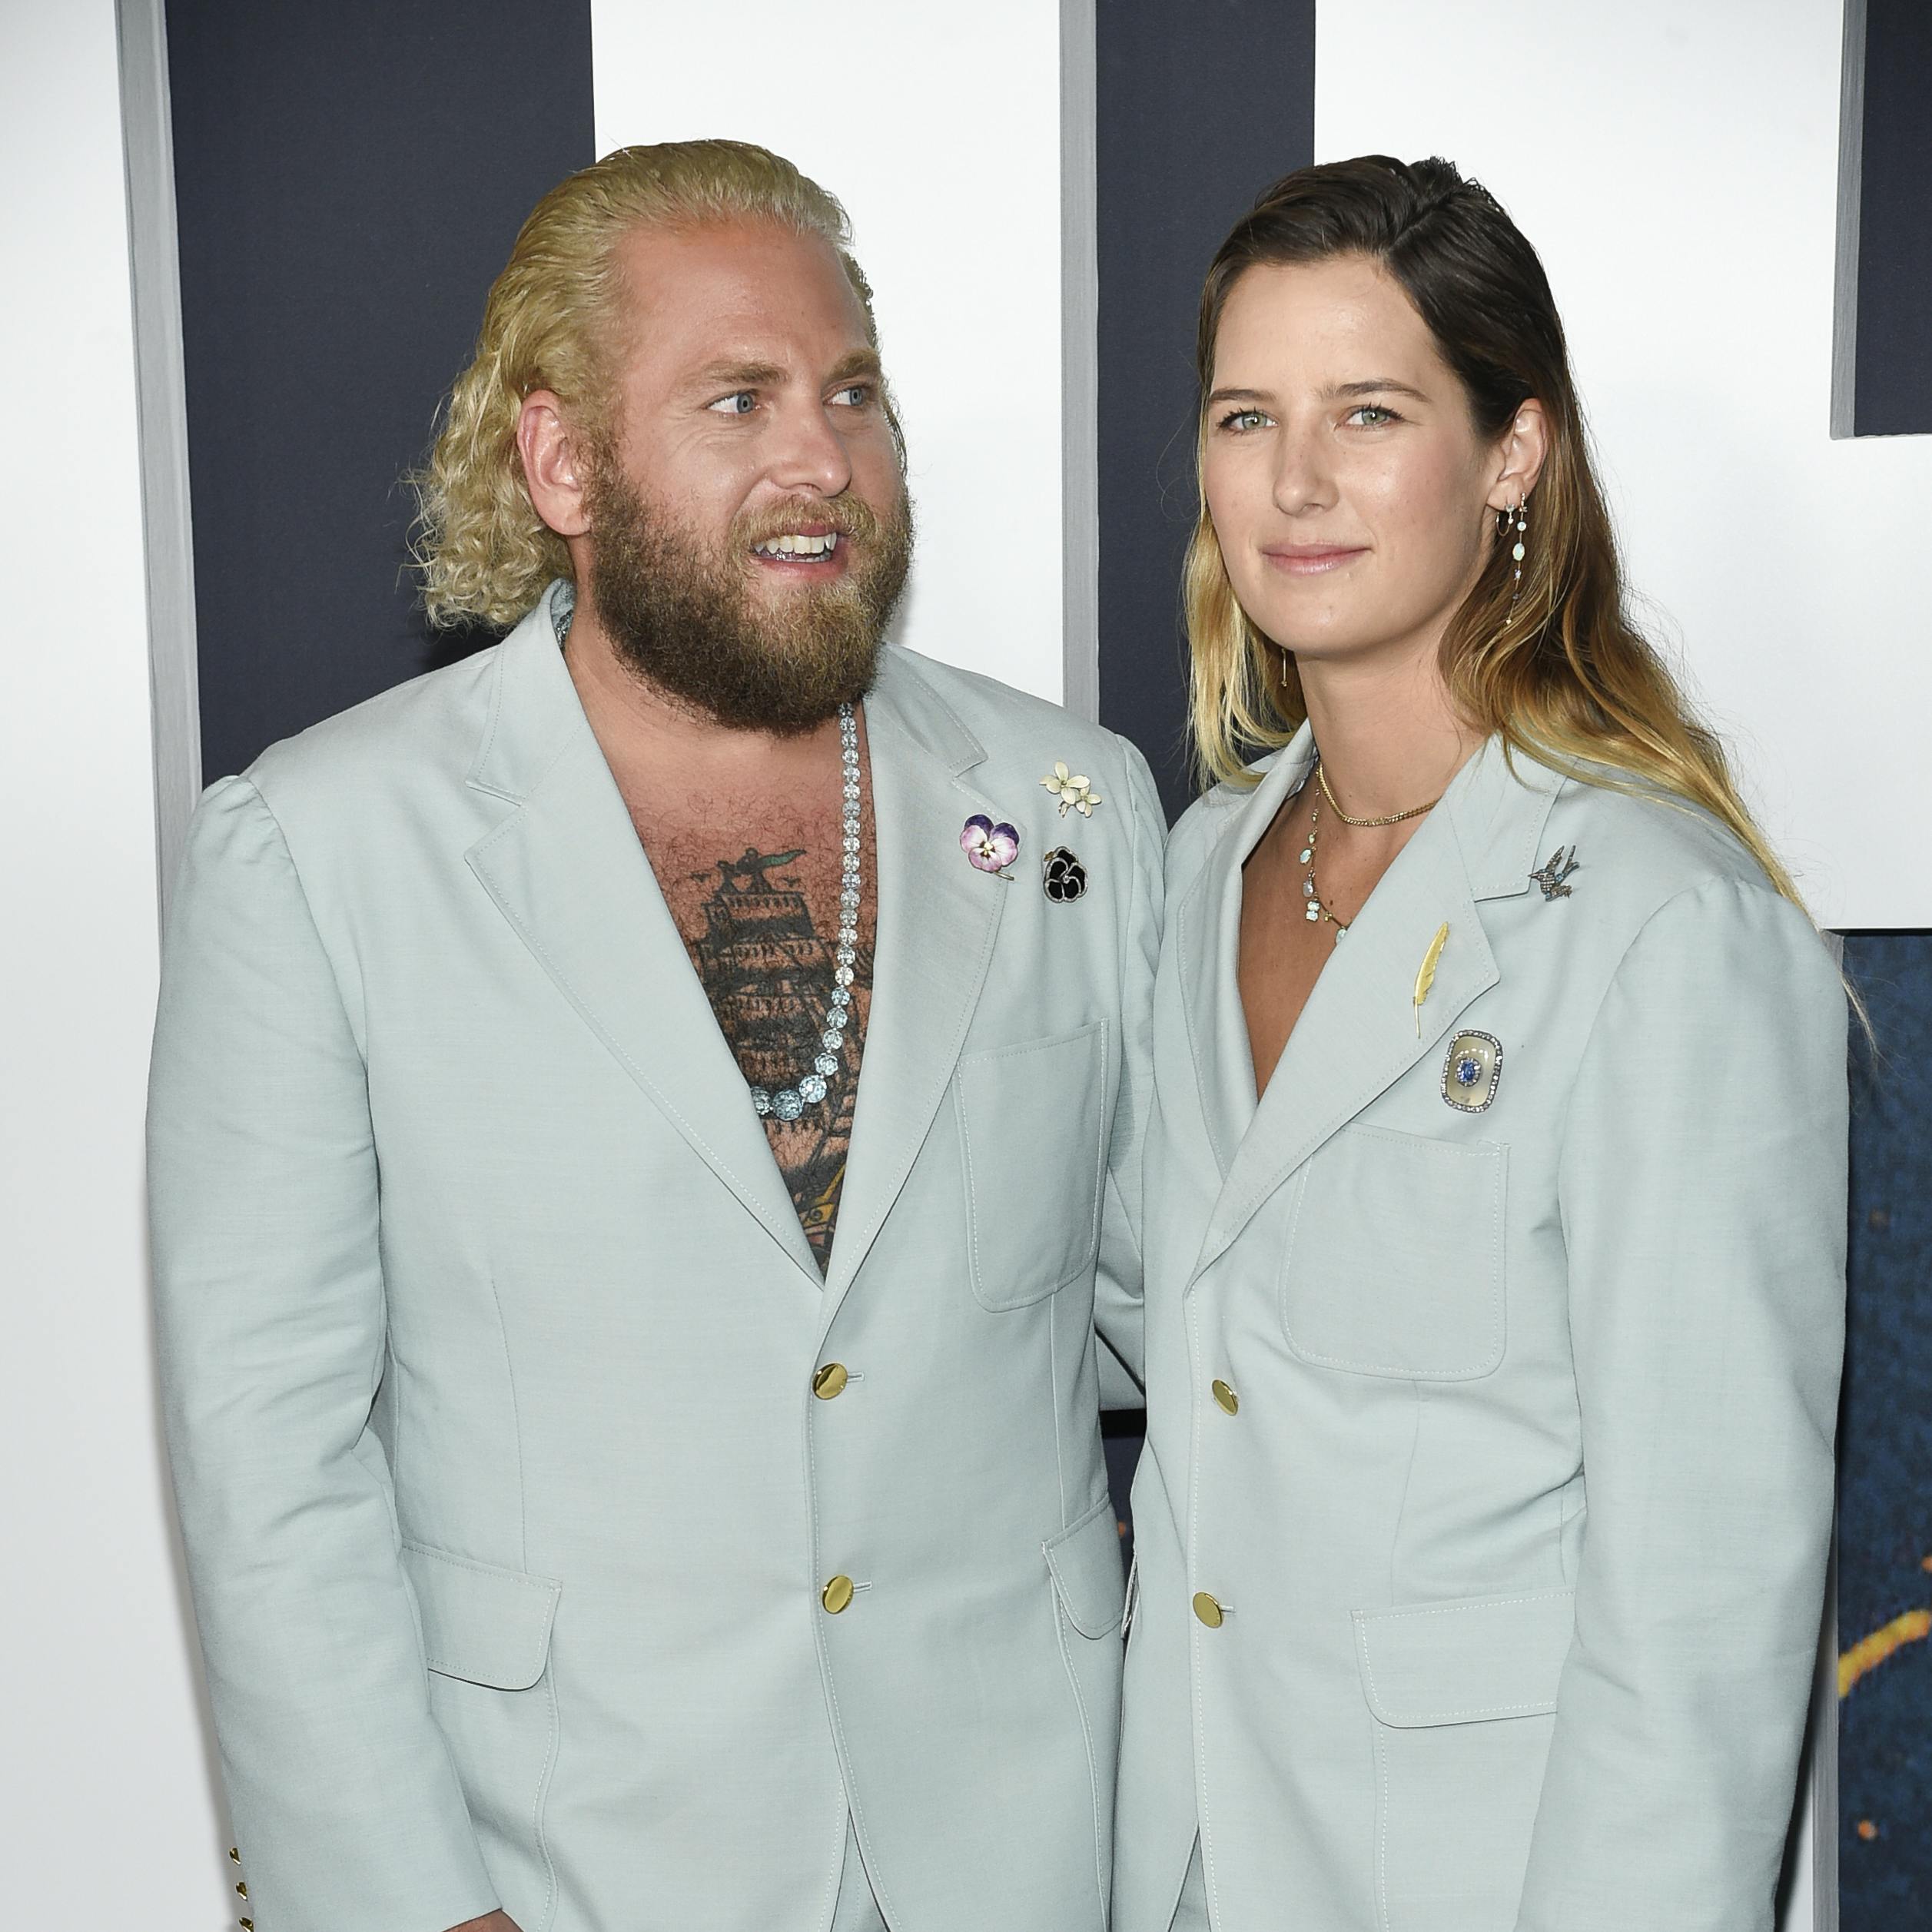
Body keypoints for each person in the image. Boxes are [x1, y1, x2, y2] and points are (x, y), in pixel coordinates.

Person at [149, 139, 1161, 1932]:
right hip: (561, 1864)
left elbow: (1183, 1316)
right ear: (560, 460)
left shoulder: (1078, 802)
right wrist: (405, 1908)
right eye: (738, 398)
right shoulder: (322, 848)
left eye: (854, 390)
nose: (821, 459)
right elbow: (270, 1454)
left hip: (1027, 1841)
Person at [1111, 154, 1847, 1932]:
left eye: (1369, 413)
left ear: (1513, 454)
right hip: (1195, 1859)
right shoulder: (1200, 865)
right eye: (1245, 417)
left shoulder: (1664, 927)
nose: (1294, 482)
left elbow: (1704, 1609)